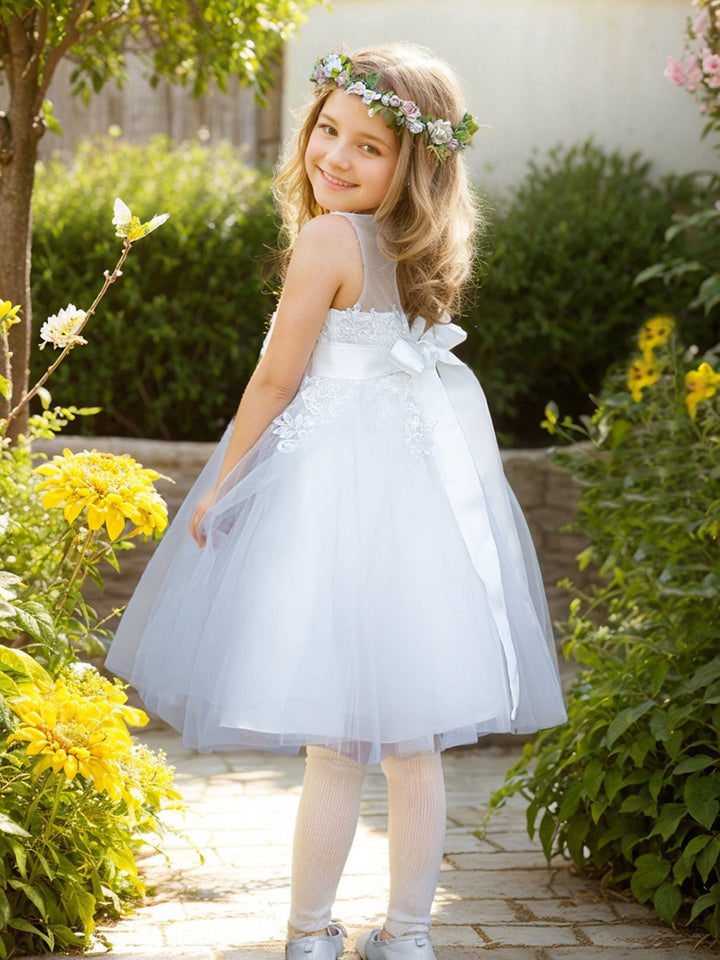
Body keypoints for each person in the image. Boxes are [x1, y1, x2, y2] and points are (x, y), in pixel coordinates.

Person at [105, 42, 567, 960]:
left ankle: (311, 934)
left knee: (335, 745)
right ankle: (408, 938)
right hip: (415, 511)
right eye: (329, 130)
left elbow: (277, 379)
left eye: (370, 146)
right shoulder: (419, 249)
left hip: (329, 506)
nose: (337, 157)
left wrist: (224, 481)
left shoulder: (327, 239)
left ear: (414, 165)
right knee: (413, 743)